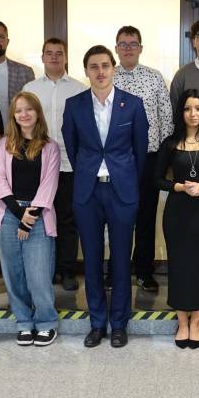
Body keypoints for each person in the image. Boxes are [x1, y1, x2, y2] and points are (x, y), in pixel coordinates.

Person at [62, 45, 148, 348]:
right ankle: (97, 323)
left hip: (122, 191)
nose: (100, 72)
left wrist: (127, 181)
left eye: (105, 66)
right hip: (87, 191)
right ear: (86, 71)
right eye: (94, 67)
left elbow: (140, 151)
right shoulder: (74, 105)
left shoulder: (133, 104)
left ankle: (120, 324)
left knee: (122, 260)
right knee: (92, 260)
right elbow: (72, 147)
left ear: (113, 68)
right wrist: (89, 172)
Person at [155, 89, 199, 349]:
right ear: (181, 112)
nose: (193, 114)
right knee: (178, 266)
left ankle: (196, 321)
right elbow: (156, 179)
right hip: (177, 212)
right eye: (187, 108)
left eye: (198, 108)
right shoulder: (170, 143)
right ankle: (182, 322)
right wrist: (178, 187)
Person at [0, 92, 61, 347]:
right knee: (14, 275)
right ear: (13, 115)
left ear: (38, 113)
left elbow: (49, 185)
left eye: (29, 109)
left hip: (39, 217)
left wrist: (29, 217)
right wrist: (20, 215)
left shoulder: (50, 147)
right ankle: (23, 322)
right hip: (10, 216)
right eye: (19, 110)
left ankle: (46, 323)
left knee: (38, 275)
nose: (24, 114)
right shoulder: (4, 144)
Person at [23, 38, 87, 291]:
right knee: (40, 217)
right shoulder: (30, 88)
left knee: (68, 219)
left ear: (66, 57)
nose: (54, 57)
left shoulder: (79, 89)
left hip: (69, 163)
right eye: (49, 53)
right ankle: (46, 270)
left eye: (59, 53)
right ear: (42, 57)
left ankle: (67, 270)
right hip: (37, 163)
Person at [114, 25, 173, 292]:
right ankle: (116, 271)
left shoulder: (154, 78)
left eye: (133, 44)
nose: (128, 48)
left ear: (141, 48)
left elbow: (166, 119)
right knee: (117, 216)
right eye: (123, 44)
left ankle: (144, 271)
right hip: (117, 159)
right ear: (116, 48)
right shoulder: (108, 76)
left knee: (146, 216)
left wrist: (165, 159)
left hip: (149, 159)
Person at [0, 19, 35, 111]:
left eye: (0, 37)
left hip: (15, 120)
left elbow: (33, 105)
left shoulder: (25, 72)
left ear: (7, 42)